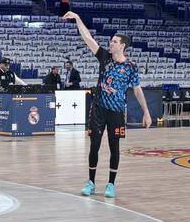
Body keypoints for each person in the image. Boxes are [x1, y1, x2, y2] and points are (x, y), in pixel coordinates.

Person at [62, 11, 151, 199]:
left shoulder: (131, 67)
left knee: (114, 147)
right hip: (98, 109)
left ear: (123, 46)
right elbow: (87, 38)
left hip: (117, 112)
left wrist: (146, 112)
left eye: (114, 42)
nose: (110, 43)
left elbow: (137, 89)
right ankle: (91, 182)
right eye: (111, 41)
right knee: (94, 146)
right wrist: (78, 18)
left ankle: (111, 184)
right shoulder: (104, 57)